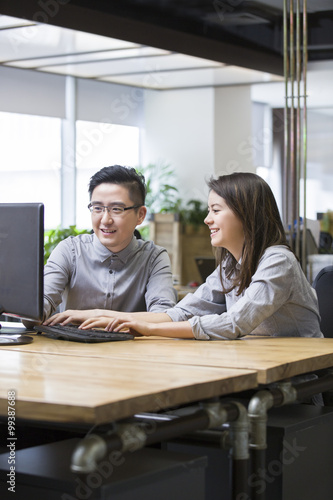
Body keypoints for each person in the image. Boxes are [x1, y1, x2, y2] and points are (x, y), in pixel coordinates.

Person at [77, 172, 323, 342]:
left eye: (216, 210)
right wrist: (99, 316)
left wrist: (149, 329)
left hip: (296, 384)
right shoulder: (230, 265)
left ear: (247, 214)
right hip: (253, 367)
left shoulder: (278, 261)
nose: (207, 219)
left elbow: (235, 323)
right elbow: (182, 313)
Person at [38, 165, 177, 326]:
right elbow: (39, 307)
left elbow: (163, 317)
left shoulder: (154, 258)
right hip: (70, 348)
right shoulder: (69, 250)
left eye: (116, 209)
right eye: (97, 208)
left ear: (140, 215)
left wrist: (96, 316)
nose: (105, 220)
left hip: (129, 350)